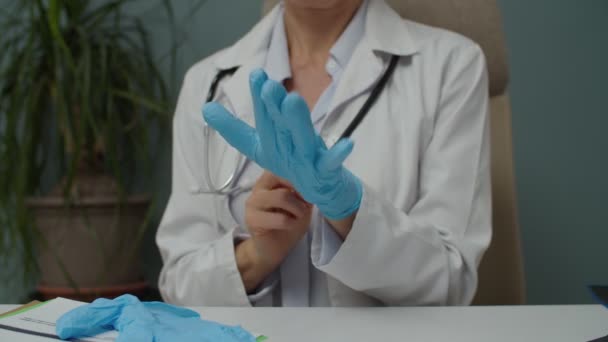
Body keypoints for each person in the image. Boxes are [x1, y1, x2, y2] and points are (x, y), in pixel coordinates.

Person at [157, 0, 491, 307]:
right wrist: (257, 253)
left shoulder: (451, 66)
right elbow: (180, 288)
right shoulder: (207, 83)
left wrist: (350, 214)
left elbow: (451, 282)